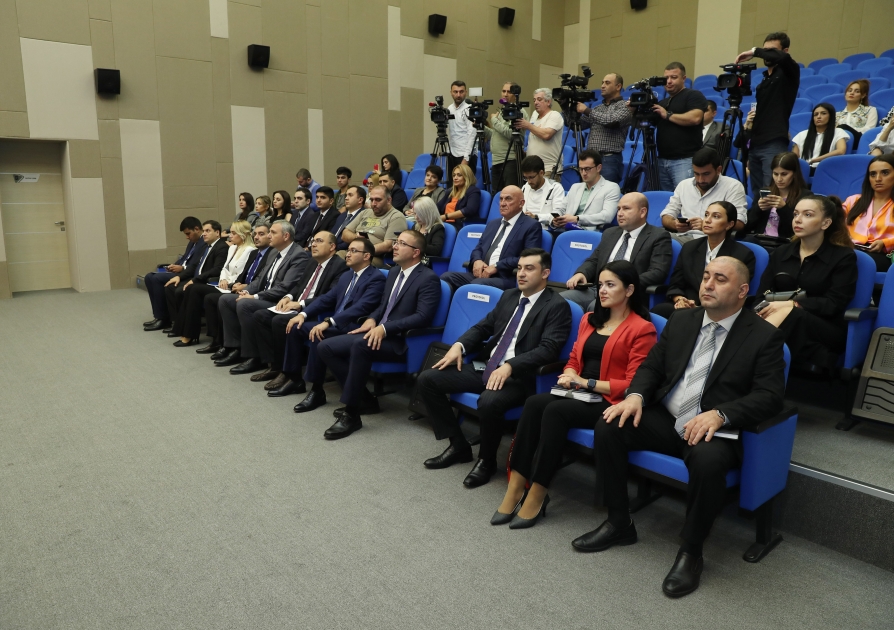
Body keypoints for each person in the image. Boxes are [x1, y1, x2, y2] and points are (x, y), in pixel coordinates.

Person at [574, 256, 785, 598]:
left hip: (711, 427)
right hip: (667, 416)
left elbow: (770, 396)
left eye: (720, 279)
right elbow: (652, 368)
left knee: (708, 462)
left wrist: (721, 414)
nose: (708, 284)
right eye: (706, 276)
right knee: (610, 423)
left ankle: (691, 551)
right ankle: (619, 522)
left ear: (742, 291)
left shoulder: (764, 336)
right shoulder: (682, 320)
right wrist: (636, 396)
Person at [493, 261, 657, 526]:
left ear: (629, 290)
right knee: (534, 403)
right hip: (580, 391)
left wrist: (586, 382)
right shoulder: (589, 320)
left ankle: (538, 491)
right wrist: (570, 374)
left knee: (555, 411)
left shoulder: (642, 328)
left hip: (609, 400)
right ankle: (516, 486)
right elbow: (573, 359)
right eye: (600, 285)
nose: (602, 290)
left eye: (610, 285)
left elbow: (633, 383)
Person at [417, 248, 572, 488]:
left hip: (520, 377)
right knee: (427, 379)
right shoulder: (509, 296)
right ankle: (458, 445)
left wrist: (510, 366)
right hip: (487, 366)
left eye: (529, 268)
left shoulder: (557, 306)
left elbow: (548, 349)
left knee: (489, 401)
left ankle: (487, 461)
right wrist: (459, 345)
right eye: (519, 268)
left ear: (545, 273)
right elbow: (482, 327)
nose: (521, 273)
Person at [314, 230, 442, 440]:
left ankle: (352, 413)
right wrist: (372, 319)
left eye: (402, 243)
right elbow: (384, 306)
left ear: (416, 252)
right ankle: (365, 400)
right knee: (325, 346)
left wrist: (385, 328)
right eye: (396, 242)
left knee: (360, 346)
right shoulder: (393, 272)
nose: (395, 246)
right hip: (378, 333)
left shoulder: (428, 279)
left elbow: (422, 317)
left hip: (401, 341)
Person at [274, 238, 386, 399]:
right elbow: (326, 299)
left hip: (353, 326)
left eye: (353, 251)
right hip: (335, 323)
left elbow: (361, 307)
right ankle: (295, 379)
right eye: (348, 250)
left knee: (318, 334)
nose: (348, 254)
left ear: (366, 256)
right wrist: (302, 314)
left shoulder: (376, 278)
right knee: (295, 327)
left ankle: (316, 390)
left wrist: (329, 322)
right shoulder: (347, 276)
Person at [756, 195, 857, 370]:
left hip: (825, 326)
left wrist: (793, 304)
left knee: (792, 315)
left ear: (825, 223)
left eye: (807, 215)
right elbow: (762, 293)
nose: (798, 220)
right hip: (778, 318)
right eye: (796, 214)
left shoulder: (843, 257)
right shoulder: (781, 252)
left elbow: (834, 303)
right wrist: (762, 309)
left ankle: (748, 357)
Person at [235, 231, 348, 383]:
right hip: (296, 306)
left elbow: (329, 297)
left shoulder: (340, 266)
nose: (313, 244)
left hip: (313, 311)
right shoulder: (312, 262)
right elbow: (299, 286)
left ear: (332, 247)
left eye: (319, 241)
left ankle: (286, 370)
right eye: (313, 241)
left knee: (279, 321)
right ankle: (274, 365)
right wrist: (288, 297)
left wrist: (301, 304)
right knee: (260, 316)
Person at [214, 221, 310, 368]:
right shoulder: (273, 252)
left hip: (279, 301)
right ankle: (235, 347)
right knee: (225, 300)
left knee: (245, 304)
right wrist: (247, 291)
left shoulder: (298, 255)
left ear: (286, 236)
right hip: (263, 295)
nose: (269, 236)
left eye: (273, 232)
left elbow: (285, 287)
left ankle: (254, 356)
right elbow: (260, 278)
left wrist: (255, 296)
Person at [562, 193, 673, 310]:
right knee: (561, 301)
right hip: (598, 289)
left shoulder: (658, 236)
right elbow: (594, 260)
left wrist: (623, 283)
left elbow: (658, 272)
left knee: (596, 307)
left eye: (626, 208)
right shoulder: (610, 233)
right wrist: (582, 273)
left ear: (642, 212)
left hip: (628, 294)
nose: (619, 213)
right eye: (618, 209)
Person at [654, 201, 756, 318]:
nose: (707, 220)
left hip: (719, 308)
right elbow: (676, 284)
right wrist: (680, 299)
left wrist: (702, 307)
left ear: (729, 224)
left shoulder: (743, 255)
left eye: (716, 216)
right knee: (660, 310)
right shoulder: (689, 248)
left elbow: (735, 293)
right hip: (687, 304)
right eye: (706, 215)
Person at [735, 33, 801, 198]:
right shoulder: (764, 79)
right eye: (765, 50)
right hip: (756, 143)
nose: (766, 55)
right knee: (758, 194)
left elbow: (783, 59)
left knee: (771, 192)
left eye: (771, 51)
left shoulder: (789, 72)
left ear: (785, 51)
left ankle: (773, 218)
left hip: (773, 141)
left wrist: (754, 51)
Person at [440, 185, 541, 291]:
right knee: (446, 278)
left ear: (521, 203)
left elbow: (528, 258)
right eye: (501, 199)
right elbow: (478, 248)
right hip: (482, 274)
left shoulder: (531, 225)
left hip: (505, 277)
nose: (502, 203)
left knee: (476, 285)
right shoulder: (493, 224)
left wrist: (497, 266)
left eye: (508, 199)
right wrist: (477, 260)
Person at [173, 220, 256, 347]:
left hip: (233, 287)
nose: (230, 235)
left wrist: (229, 283)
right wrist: (223, 279)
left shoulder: (250, 250)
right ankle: (187, 332)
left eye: (234, 233)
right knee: (192, 289)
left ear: (243, 235)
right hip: (222, 284)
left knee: (195, 289)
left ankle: (191, 335)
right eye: (230, 232)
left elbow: (242, 273)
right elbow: (224, 269)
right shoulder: (232, 248)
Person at [198, 225, 273, 356]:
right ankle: (227, 345)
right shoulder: (255, 253)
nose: (256, 237)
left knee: (224, 300)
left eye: (261, 234)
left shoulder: (270, 254)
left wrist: (245, 287)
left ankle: (238, 349)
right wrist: (235, 284)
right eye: (255, 234)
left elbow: (263, 280)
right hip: (241, 287)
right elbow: (243, 273)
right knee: (218, 298)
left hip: (256, 292)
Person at [660, 147, 748, 242]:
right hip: (684, 236)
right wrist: (674, 224)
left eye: (706, 174)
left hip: (713, 240)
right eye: (696, 174)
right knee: (655, 237)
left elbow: (739, 223)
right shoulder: (683, 185)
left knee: (661, 241)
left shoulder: (733, 186)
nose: (700, 180)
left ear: (718, 170)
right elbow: (667, 215)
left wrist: (705, 225)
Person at [162, 220, 229, 338]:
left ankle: (185, 328)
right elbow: (194, 266)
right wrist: (179, 276)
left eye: (208, 231)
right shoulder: (206, 246)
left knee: (182, 290)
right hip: (197, 278)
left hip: (207, 281)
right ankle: (178, 324)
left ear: (217, 232)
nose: (204, 234)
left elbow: (217, 269)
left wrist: (196, 279)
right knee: (171, 287)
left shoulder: (221, 247)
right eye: (204, 231)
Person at [650, 62, 708, 192]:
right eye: (666, 78)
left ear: (684, 78)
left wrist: (667, 115)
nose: (669, 81)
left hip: (684, 160)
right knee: (667, 199)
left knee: (686, 197)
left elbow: (695, 118)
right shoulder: (663, 102)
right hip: (662, 161)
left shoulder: (693, 95)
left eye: (674, 77)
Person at [143, 216, 203, 331]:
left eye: (188, 233)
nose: (187, 237)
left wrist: (182, 268)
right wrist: (173, 266)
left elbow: (197, 264)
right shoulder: (192, 242)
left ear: (196, 229)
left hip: (188, 274)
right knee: (149, 277)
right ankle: (158, 315)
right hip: (182, 270)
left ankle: (163, 319)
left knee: (156, 279)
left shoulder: (204, 243)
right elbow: (184, 258)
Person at [575, 73, 631, 184]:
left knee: (606, 191)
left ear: (618, 86)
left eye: (607, 83)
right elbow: (578, 125)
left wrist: (586, 110)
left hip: (609, 159)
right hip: (591, 160)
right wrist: (567, 108)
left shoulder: (625, 106)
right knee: (589, 191)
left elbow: (610, 121)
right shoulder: (598, 108)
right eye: (602, 83)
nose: (602, 86)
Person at [842, 155, 894, 271]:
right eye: (873, 174)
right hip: (849, 249)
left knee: (851, 260)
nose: (878, 179)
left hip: (883, 255)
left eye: (885, 173)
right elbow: (834, 222)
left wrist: (885, 243)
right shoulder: (853, 200)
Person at [744, 151, 809, 242]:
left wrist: (783, 209)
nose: (779, 179)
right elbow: (746, 226)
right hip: (761, 240)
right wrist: (758, 208)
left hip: (785, 243)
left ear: (794, 174)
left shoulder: (805, 196)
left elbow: (801, 229)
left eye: (784, 174)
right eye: (775, 174)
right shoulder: (764, 192)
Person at [340, 185, 408, 267]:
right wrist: (356, 237)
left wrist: (363, 252)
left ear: (389, 200)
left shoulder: (396, 217)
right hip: (353, 252)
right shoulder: (365, 212)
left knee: (352, 263)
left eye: (378, 200)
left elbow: (389, 245)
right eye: (371, 200)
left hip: (374, 257)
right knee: (333, 258)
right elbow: (344, 234)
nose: (373, 204)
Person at [556, 150, 622, 232]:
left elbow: (607, 216)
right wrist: (555, 218)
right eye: (581, 169)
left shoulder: (611, 188)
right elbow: (561, 209)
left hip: (589, 232)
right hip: (566, 229)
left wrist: (577, 219)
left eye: (587, 169)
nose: (583, 173)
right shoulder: (575, 187)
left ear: (599, 168)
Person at [487, 81, 527, 190]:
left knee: (510, 194)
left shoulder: (519, 111)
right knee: (497, 195)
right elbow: (496, 134)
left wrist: (494, 120)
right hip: (496, 160)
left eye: (509, 92)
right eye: (503, 91)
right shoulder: (502, 110)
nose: (505, 94)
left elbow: (512, 134)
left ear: (515, 94)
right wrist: (481, 128)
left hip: (510, 160)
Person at [515, 88, 565, 176]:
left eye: (539, 99)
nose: (536, 102)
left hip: (548, 169)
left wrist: (528, 125)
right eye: (534, 100)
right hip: (532, 169)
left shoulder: (554, 115)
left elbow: (546, 135)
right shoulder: (535, 119)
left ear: (548, 102)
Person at [792, 103, 849, 171]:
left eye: (823, 113)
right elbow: (794, 157)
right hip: (803, 169)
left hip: (825, 168)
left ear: (831, 116)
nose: (818, 117)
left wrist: (816, 160)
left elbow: (841, 151)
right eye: (816, 114)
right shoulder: (801, 134)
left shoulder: (838, 132)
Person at [520, 155, 567, 223]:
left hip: (545, 227)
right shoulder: (525, 187)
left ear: (541, 173)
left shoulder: (555, 188)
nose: (529, 181)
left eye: (531, 177)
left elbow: (557, 215)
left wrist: (536, 217)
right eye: (526, 178)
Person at [446, 81, 476, 176]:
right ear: (451, 92)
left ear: (466, 92)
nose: (458, 95)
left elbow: (472, 135)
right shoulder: (449, 109)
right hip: (452, 153)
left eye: (461, 92)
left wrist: (466, 158)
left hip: (466, 154)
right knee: (452, 184)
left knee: (466, 184)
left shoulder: (469, 109)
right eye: (455, 92)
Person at [333, 185, 366, 252]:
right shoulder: (342, 215)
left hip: (345, 251)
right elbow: (332, 234)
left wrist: (333, 248)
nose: (346, 198)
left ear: (360, 200)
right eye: (346, 195)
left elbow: (352, 241)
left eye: (350, 195)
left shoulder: (364, 216)